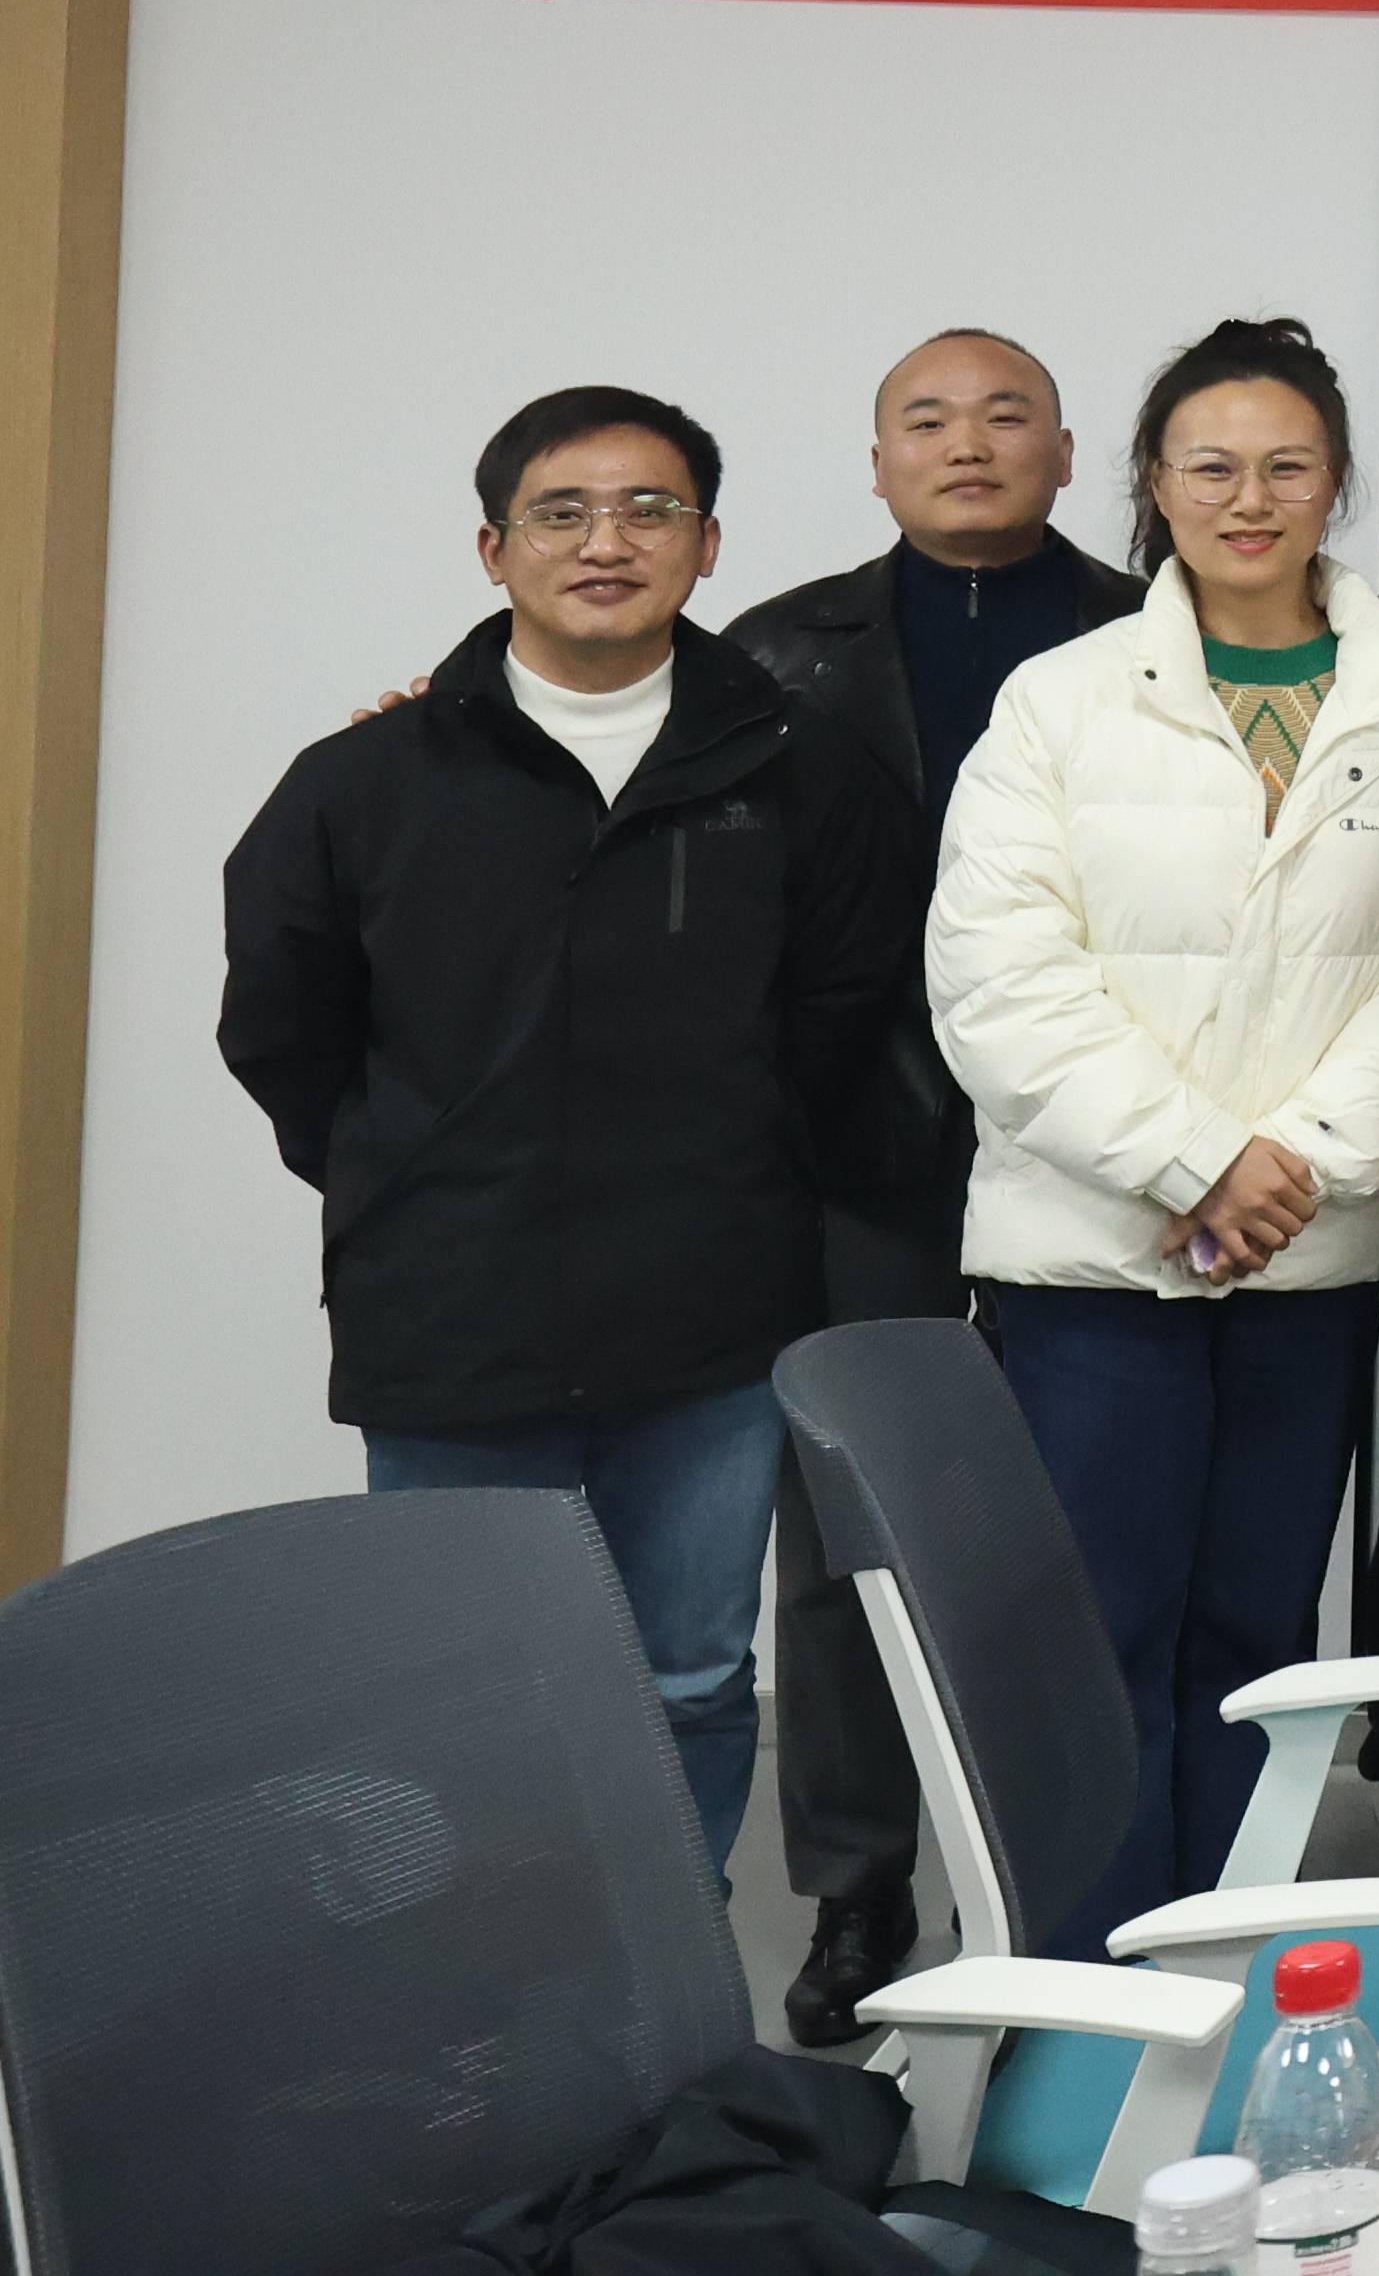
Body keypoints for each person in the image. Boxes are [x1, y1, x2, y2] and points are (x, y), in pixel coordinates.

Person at [223, 387, 936, 1880]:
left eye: (649, 510)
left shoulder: (800, 771)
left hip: (711, 1320)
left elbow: (844, 1014)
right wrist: (407, 1176)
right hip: (453, 1317)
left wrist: (732, 1165)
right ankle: (495, 1997)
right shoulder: (365, 783)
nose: (607, 542)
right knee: (459, 1694)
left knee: (688, 1676)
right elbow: (282, 1028)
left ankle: (664, 1987)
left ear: (708, 543)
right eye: (563, 513)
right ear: (495, 549)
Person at [929, 317, 1379, 1950]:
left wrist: (1291, 1166)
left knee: (1257, 1642)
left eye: (1288, 466)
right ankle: (1093, 2001)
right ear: (1154, 485)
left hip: (1310, 1255)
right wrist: (1197, 1164)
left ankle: (1230, 1976)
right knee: (1095, 1642)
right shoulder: (1060, 699)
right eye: (1213, 466)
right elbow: (998, 975)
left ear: (1338, 485)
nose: (1251, 498)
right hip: (1092, 1260)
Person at [723, 329, 1139, 2038]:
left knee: (1086, 1523)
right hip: (858, 1144)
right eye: (928, 420)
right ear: (879, 460)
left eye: (1005, 416)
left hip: (1095, 1136)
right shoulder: (775, 655)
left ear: (1067, 452)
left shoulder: (1150, 630)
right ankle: (856, 1884)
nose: (968, 445)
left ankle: (1066, 1877)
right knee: (847, 1537)